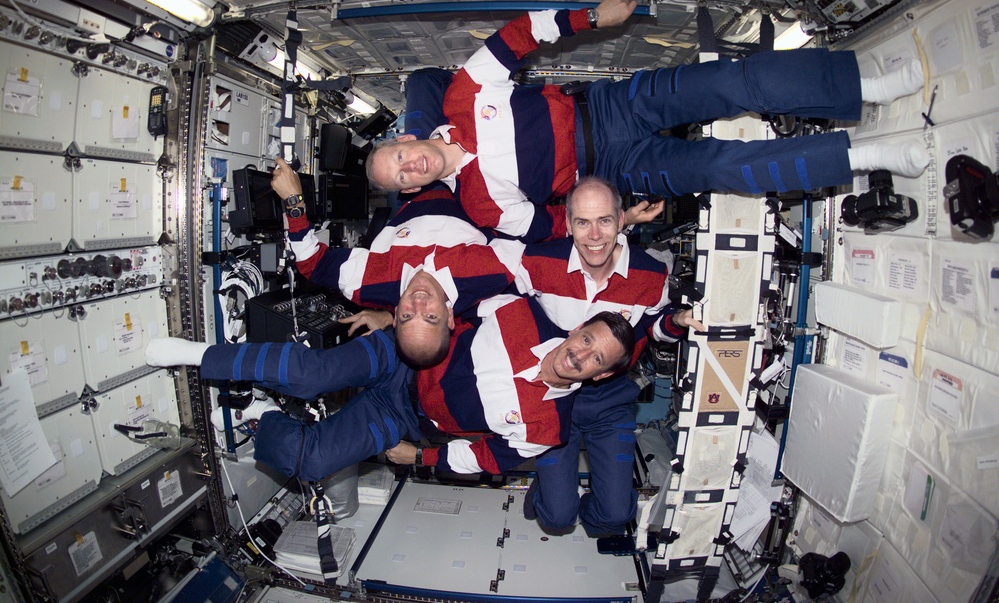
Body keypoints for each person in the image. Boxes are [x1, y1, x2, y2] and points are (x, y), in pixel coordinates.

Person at [366, 0, 928, 242]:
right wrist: (619, 221)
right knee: (723, 168)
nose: (409, 168)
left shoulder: (463, 95)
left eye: (397, 158)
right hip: (616, 169)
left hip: (611, 105)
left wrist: (592, 19)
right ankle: (864, 157)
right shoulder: (479, 205)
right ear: (413, 189)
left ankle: (866, 88)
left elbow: (518, 36)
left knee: (733, 83)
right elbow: (549, 228)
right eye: (403, 179)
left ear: (404, 138)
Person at [144, 296, 635, 481]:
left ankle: (261, 413)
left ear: (601, 376)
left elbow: (483, 458)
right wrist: (391, 313)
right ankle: (201, 355)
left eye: (597, 359)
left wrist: (419, 458)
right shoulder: (519, 312)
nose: (581, 354)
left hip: (406, 419)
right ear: (576, 329)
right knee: (311, 373)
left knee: (310, 463)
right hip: (400, 357)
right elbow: (446, 303)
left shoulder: (549, 429)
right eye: (587, 339)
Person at [513, 176, 706, 537]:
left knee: (616, 516)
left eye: (604, 221)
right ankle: (554, 497)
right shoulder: (538, 262)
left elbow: (654, 329)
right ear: (569, 224)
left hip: (610, 402)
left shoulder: (650, 273)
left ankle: (576, 503)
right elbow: (506, 311)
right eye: (582, 223)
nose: (595, 236)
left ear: (621, 220)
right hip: (553, 402)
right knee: (557, 519)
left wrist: (676, 321)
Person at [272, 164, 523, 367]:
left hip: (416, 174)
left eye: (406, 315)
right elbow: (520, 229)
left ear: (394, 318)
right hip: (472, 175)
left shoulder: (369, 283)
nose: (418, 303)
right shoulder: (488, 277)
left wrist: (294, 201)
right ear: (449, 319)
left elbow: (310, 262)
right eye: (431, 316)